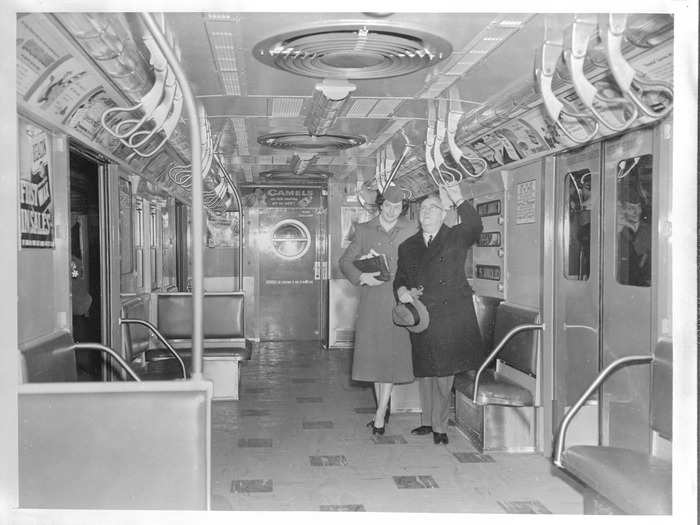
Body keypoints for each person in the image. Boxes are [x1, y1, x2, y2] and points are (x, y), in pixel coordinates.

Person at [394, 183, 484, 445]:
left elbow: (475, 226)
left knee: (444, 373)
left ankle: (440, 426)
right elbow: (401, 276)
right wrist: (400, 289)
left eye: (432, 208)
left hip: (449, 314)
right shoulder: (407, 246)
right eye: (422, 209)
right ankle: (426, 420)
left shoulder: (455, 236)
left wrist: (457, 197)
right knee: (425, 370)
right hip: (421, 314)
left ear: (444, 213)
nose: (426, 213)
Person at [339, 184, 417, 435]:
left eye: (398, 207)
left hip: (400, 301)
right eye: (389, 205)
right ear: (381, 205)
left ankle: (381, 414)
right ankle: (382, 410)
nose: (393, 211)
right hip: (373, 300)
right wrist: (363, 278)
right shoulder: (364, 231)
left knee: (391, 359)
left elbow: (421, 264)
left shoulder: (412, 229)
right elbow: (345, 262)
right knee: (376, 361)